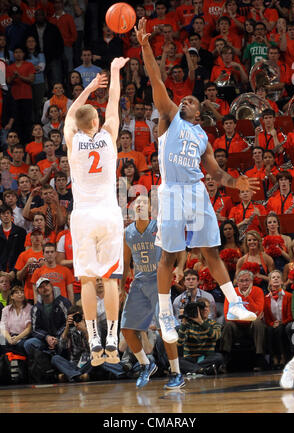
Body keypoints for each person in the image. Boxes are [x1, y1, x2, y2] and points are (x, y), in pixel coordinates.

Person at [135, 17, 258, 389]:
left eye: (188, 99)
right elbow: (157, 80)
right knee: (168, 258)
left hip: (198, 191)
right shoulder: (169, 120)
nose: (183, 99)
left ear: (198, 113)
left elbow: (217, 174)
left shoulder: (202, 134)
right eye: (182, 98)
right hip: (172, 192)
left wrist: (236, 182)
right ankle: (164, 313)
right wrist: (144, 46)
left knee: (211, 252)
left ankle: (234, 301)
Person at [63, 58, 128, 366]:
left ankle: (93, 341)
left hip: (83, 216)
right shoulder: (108, 136)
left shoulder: (72, 140)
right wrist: (114, 72)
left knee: (88, 280)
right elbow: (114, 100)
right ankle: (112, 339)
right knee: (111, 278)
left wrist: (87, 89)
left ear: (78, 125)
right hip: (109, 214)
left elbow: (69, 115)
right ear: (96, 123)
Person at [120, 195, 161, 388]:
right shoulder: (127, 232)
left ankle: (176, 370)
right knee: (126, 329)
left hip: (159, 281)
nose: (139, 205)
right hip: (139, 282)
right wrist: (121, 288)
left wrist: (177, 268)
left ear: (151, 209)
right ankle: (146, 364)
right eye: (136, 203)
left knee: (165, 329)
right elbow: (126, 262)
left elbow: (176, 250)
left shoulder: (158, 226)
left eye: (143, 202)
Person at [220, 270, 266, 372]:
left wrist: (247, 296)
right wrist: (247, 316)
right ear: (237, 282)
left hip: (251, 327)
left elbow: (258, 312)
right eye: (241, 281)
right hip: (237, 327)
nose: (244, 283)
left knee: (258, 323)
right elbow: (228, 315)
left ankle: (259, 358)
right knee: (228, 325)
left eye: (247, 280)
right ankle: (224, 360)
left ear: (252, 282)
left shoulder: (258, 291)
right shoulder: (232, 293)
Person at [23, 277, 71, 357]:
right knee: (28, 344)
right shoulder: (35, 308)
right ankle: (44, 363)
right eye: (41, 287)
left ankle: (63, 361)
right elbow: (35, 329)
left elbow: (69, 322)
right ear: (38, 291)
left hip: (63, 336)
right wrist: (47, 337)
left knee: (68, 338)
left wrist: (57, 338)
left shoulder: (64, 302)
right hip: (45, 340)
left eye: (47, 285)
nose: (45, 288)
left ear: (52, 287)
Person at [177, 297, 224, 375]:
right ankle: (203, 370)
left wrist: (201, 322)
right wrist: (184, 323)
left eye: (207, 307)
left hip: (207, 357)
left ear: (209, 309)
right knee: (177, 361)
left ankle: (193, 369)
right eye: (202, 307)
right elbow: (179, 343)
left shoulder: (214, 324)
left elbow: (216, 336)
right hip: (191, 358)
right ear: (197, 309)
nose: (205, 309)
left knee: (219, 357)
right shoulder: (188, 324)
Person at [50, 305, 91, 382]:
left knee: (97, 360)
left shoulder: (91, 327)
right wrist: (67, 328)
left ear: (83, 316)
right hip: (74, 362)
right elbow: (61, 347)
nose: (75, 320)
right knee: (55, 358)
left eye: (77, 317)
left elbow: (94, 347)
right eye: (73, 318)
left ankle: (70, 375)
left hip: (88, 362)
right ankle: (78, 376)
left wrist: (85, 331)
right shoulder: (70, 330)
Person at [264, 270, 292, 370]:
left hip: (285, 323)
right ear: (270, 282)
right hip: (273, 324)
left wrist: (281, 322)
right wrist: (272, 323)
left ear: (281, 282)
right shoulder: (266, 298)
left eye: (278, 277)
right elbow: (267, 317)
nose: (276, 279)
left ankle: (284, 357)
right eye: (273, 277)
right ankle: (274, 358)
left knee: (279, 329)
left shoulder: (288, 296)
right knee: (269, 330)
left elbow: (290, 315)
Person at [235, 230, 275, 294]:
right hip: (246, 293)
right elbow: (235, 281)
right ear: (246, 243)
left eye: (254, 240)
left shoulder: (267, 258)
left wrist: (260, 276)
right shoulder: (241, 260)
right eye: (249, 240)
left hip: (264, 292)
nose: (252, 242)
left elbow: (273, 280)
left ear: (258, 242)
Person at [0, 285, 32, 356]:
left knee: (21, 344)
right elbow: (3, 327)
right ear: (12, 296)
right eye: (17, 292)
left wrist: (17, 338)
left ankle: (22, 363)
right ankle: (5, 361)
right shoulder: (6, 310)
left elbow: (29, 328)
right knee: (1, 339)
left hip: (23, 337)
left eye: (22, 292)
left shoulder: (29, 308)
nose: (20, 294)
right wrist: (9, 339)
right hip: (10, 336)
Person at [15, 227, 44, 303]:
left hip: (46, 292)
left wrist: (45, 266)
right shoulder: (24, 255)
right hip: (29, 294)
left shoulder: (48, 253)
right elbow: (19, 277)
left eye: (39, 234)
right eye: (34, 235)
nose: (37, 237)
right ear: (30, 237)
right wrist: (26, 266)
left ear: (42, 237)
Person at [0, 203, 26, 278]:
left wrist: (14, 270)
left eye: (8, 213)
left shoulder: (21, 232)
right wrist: (0, 271)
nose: (6, 215)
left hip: (17, 272)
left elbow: (22, 253)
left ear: (11, 215)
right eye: (3, 213)